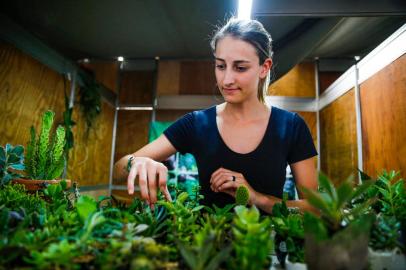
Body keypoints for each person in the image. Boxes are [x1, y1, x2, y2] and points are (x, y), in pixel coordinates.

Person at [113, 18, 318, 214]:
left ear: (264, 68)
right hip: (208, 246)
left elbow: (315, 209)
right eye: (220, 66)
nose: (227, 79)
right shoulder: (197, 124)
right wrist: (136, 163)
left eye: (240, 67)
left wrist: (256, 198)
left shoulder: (291, 126)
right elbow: (118, 169)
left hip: (269, 247)